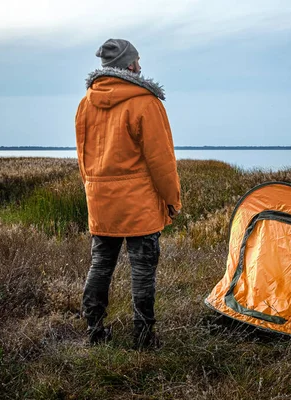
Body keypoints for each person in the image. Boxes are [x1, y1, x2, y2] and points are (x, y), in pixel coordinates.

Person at [75, 38, 182, 348]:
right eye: (137, 60)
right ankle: (144, 338)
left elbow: (84, 160)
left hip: (100, 200)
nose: (140, 65)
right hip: (140, 204)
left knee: (100, 265)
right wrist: (172, 199)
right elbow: (162, 161)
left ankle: (94, 331)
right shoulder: (146, 102)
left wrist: (93, 190)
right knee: (143, 269)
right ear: (130, 65)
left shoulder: (85, 103)